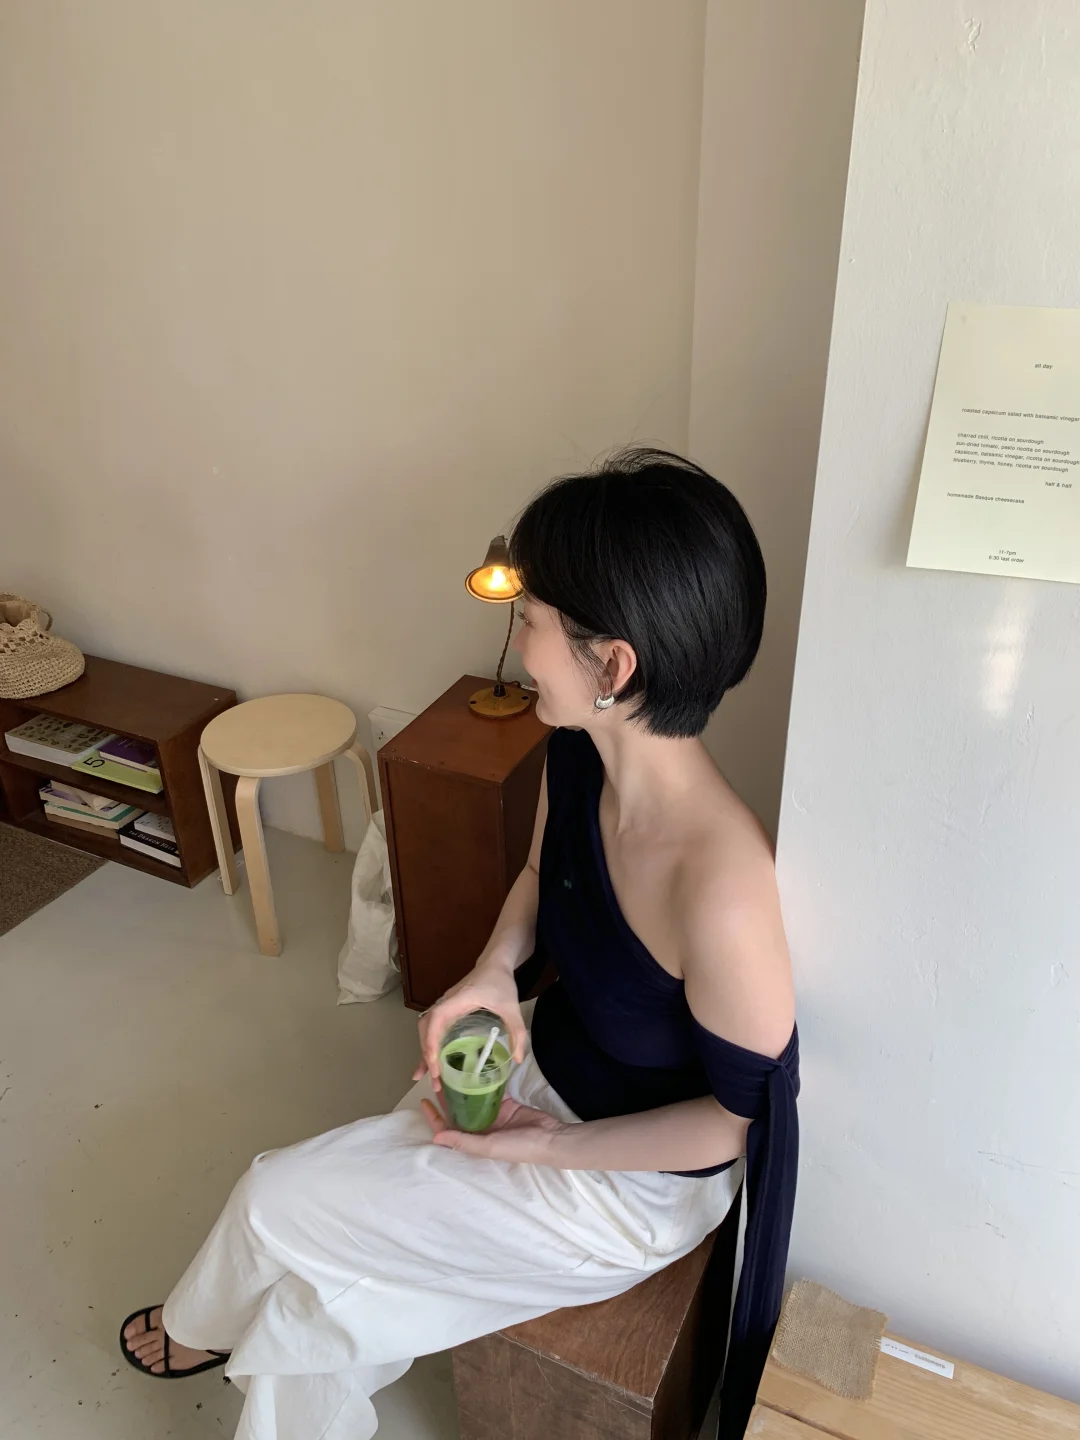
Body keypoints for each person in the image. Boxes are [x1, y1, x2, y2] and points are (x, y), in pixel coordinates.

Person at [119, 448, 798, 1440]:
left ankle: (196, 1326)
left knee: (275, 1201)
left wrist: (552, 1146)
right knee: (324, 1300)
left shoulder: (723, 886)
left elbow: (737, 1123)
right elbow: (538, 882)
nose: (517, 644)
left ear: (612, 666)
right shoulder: (578, 755)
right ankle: (230, 1350)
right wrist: (491, 971)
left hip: (625, 1185)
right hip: (539, 1069)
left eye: (532, 620)